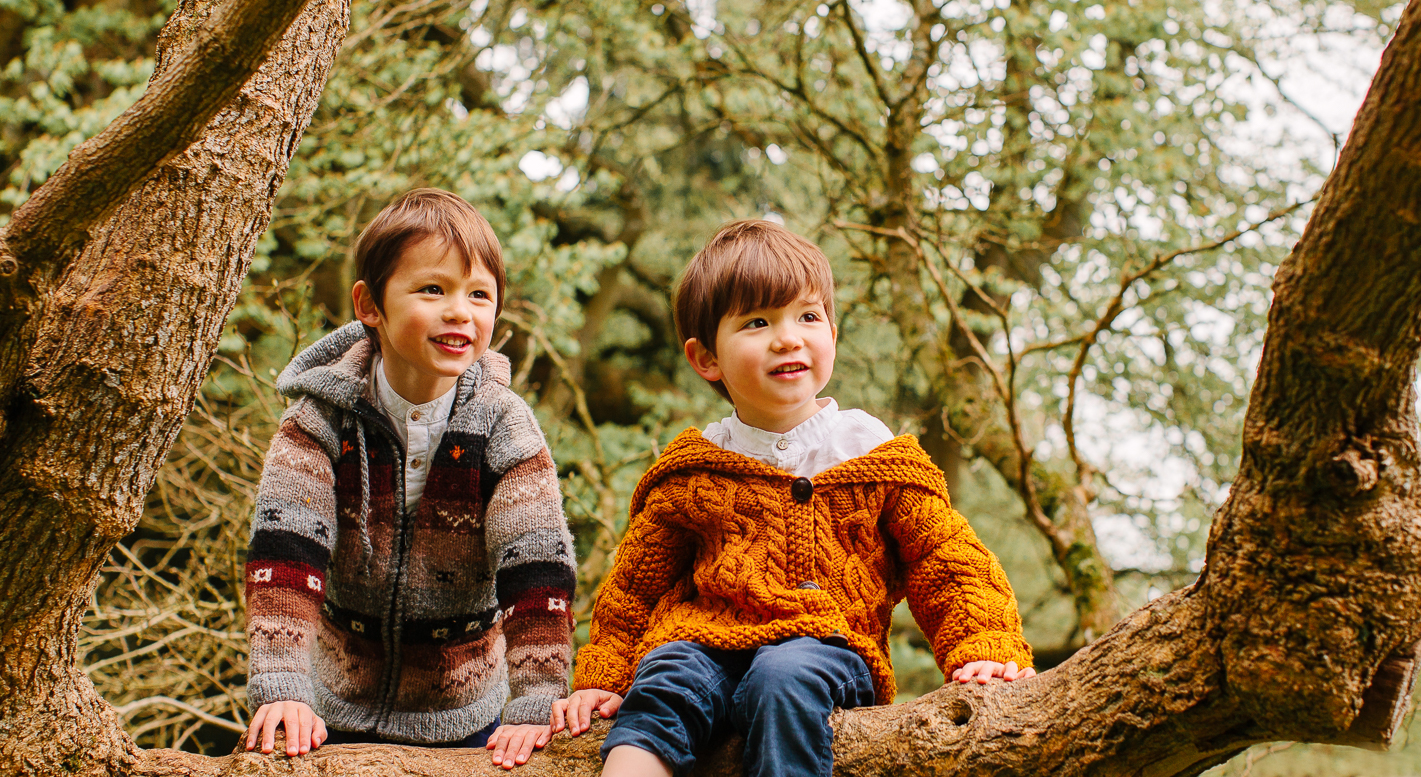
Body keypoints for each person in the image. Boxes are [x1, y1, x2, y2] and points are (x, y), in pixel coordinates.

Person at [555, 219, 1035, 777]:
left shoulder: (870, 453)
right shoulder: (695, 468)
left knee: (781, 679)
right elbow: (636, 588)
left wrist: (984, 646)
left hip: (826, 646)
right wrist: (600, 679)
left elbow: (948, 561)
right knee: (665, 679)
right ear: (706, 358)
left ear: (832, 332)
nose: (788, 337)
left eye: (807, 316)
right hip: (704, 642)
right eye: (758, 322)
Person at [243, 189, 575, 769]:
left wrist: (537, 700)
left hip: (468, 713)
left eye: (479, 295)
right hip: (334, 707)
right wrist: (283, 689)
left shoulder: (503, 424)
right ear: (370, 305)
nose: (459, 312)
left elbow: (536, 570)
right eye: (433, 289)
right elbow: (287, 558)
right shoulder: (320, 419)